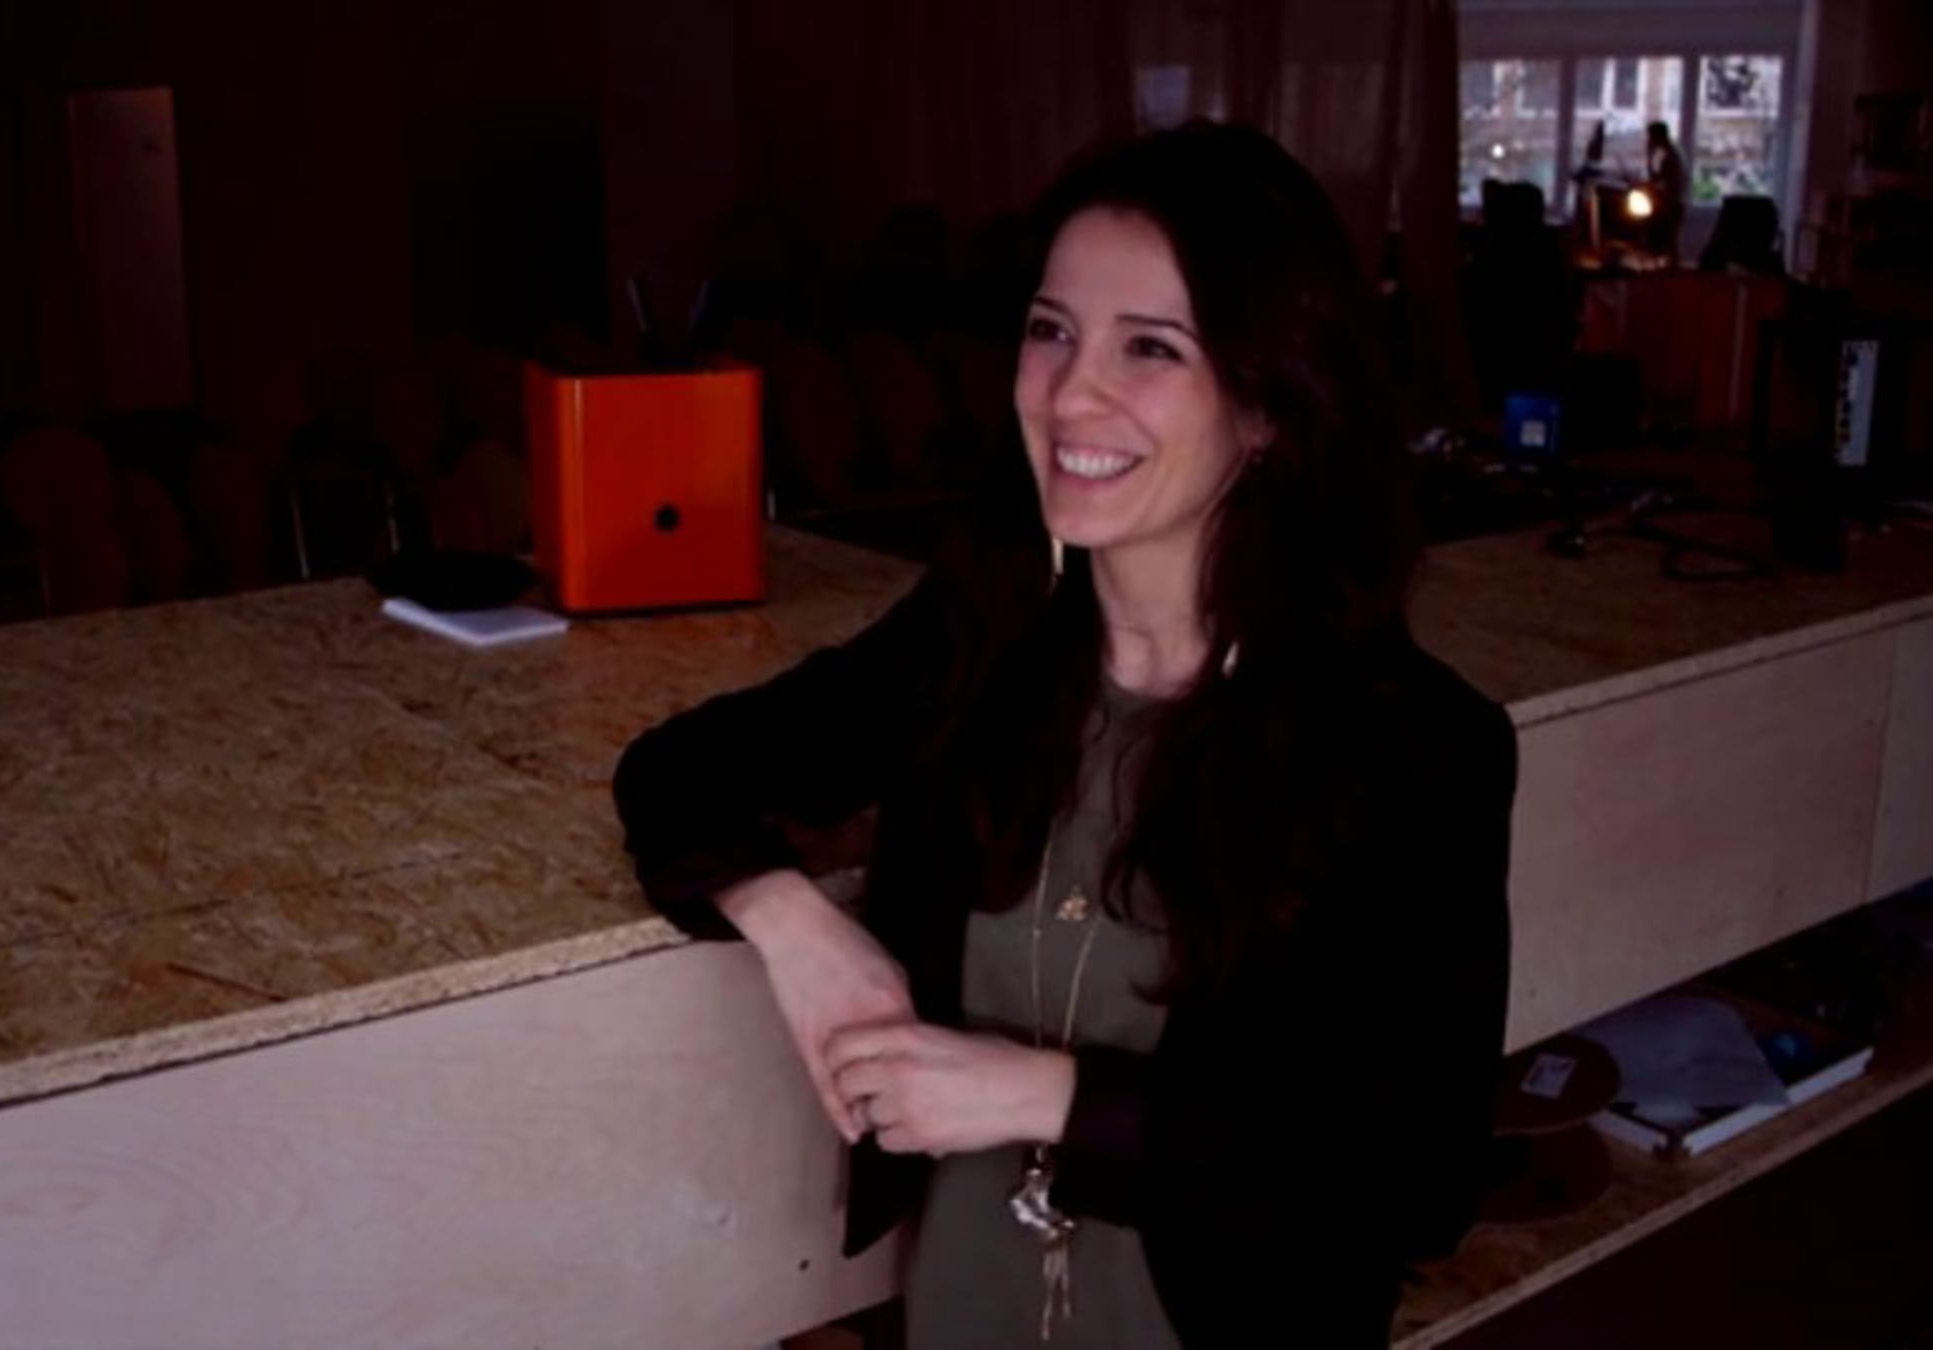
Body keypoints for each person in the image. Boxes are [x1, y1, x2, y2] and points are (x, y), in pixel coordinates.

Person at [614, 121, 1517, 1348]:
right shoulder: (981, 639)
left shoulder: (1414, 745)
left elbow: (1413, 1179)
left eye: (1150, 347)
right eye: (1051, 331)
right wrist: (793, 925)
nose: (1071, 391)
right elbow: (677, 773)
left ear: (1268, 404)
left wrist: (1049, 1098)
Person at [1645, 120, 1688, 260]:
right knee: (1670, 244)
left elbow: (1657, 179)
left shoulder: (1664, 154)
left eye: (1650, 136)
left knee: (1665, 244)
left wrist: (1649, 153)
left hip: (1669, 204)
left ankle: (1668, 270)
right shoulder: (1673, 150)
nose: (1648, 139)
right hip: (1676, 202)